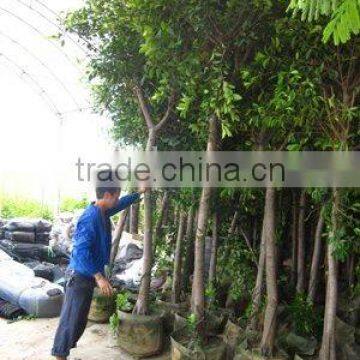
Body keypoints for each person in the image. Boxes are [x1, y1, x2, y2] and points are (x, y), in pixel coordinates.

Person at [51, 179, 144, 360]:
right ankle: (60, 355)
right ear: (107, 195)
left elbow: (121, 204)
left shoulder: (102, 210)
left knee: (78, 321)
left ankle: (63, 353)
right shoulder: (90, 218)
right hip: (79, 277)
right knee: (70, 321)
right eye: (116, 196)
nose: (117, 200)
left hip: (86, 276)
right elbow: (80, 252)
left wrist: (138, 194)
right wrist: (99, 277)